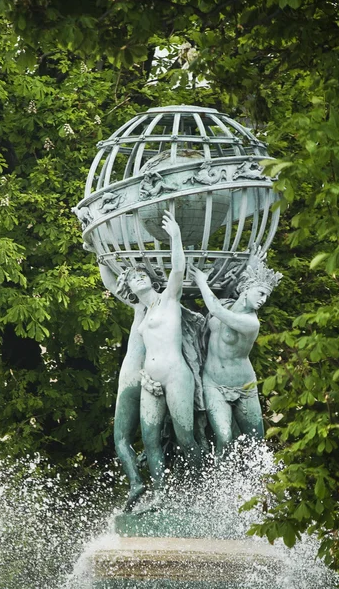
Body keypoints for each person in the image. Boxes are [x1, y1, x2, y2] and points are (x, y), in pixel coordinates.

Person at [116, 211, 202, 497]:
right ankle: (161, 495)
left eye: (142, 275)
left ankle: (201, 492)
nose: (139, 278)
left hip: (176, 374)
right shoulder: (141, 313)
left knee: (185, 436)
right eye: (133, 278)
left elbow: (178, 270)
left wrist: (175, 236)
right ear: (129, 288)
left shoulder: (168, 299)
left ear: (151, 280)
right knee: (150, 440)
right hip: (150, 382)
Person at [190, 261, 282, 457]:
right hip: (213, 383)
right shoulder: (227, 303)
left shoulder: (251, 322)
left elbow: (216, 311)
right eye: (260, 293)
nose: (263, 300)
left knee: (256, 442)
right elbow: (216, 303)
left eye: (266, 296)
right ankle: (219, 484)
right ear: (246, 290)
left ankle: (258, 483)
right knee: (223, 437)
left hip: (244, 387)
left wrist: (201, 282)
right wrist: (251, 261)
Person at [98, 261, 153, 511]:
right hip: (157, 375)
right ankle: (164, 487)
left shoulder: (140, 306)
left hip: (132, 376)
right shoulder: (168, 306)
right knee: (156, 441)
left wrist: (101, 257)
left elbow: (110, 284)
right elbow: (111, 284)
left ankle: (135, 483)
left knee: (121, 438)